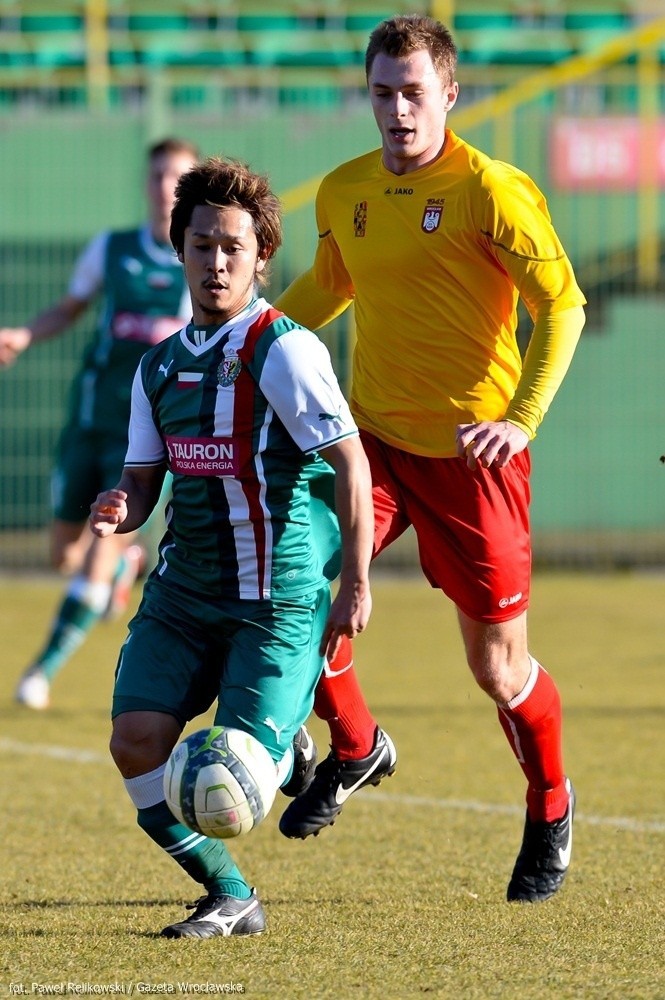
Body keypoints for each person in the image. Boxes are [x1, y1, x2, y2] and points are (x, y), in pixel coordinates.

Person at [275, 14, 586, 905]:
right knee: (303, 591)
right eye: (382, 93)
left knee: (496, 670)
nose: (397, 111)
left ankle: (551, 804)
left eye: (413, 92)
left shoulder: (492, 190)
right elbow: (329, 288)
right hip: (369, 442)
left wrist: (521, 420)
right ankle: (356, 745)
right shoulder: (345, 191)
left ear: (449, 92)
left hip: (471, 453)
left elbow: (560, 307)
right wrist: (251, 341)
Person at [89, 155, 375, 938]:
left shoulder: (282, 350)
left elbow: (351, 464)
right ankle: (229, 895)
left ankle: (280, 748)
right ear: (180, 248)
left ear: (259, 259)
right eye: (202, 244)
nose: (216, 262)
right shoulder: (159, 366)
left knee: (230, 786)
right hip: (184, 596)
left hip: (275, 602)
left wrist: (353, 581)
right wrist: (122, 505)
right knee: (135, 744)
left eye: (233, 248)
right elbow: (143, 481)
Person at [0, 137, 200, 711]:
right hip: (88, 421)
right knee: (62, 552)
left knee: (100, 545)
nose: (167, 186)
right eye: (159, 174)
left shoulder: (205, 261)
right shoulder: (110, 249)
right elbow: (70, 307)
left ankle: (41, 671)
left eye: (179, 177)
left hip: (145, 438)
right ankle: (124, 569)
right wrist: (24, 334)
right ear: (146, 181)